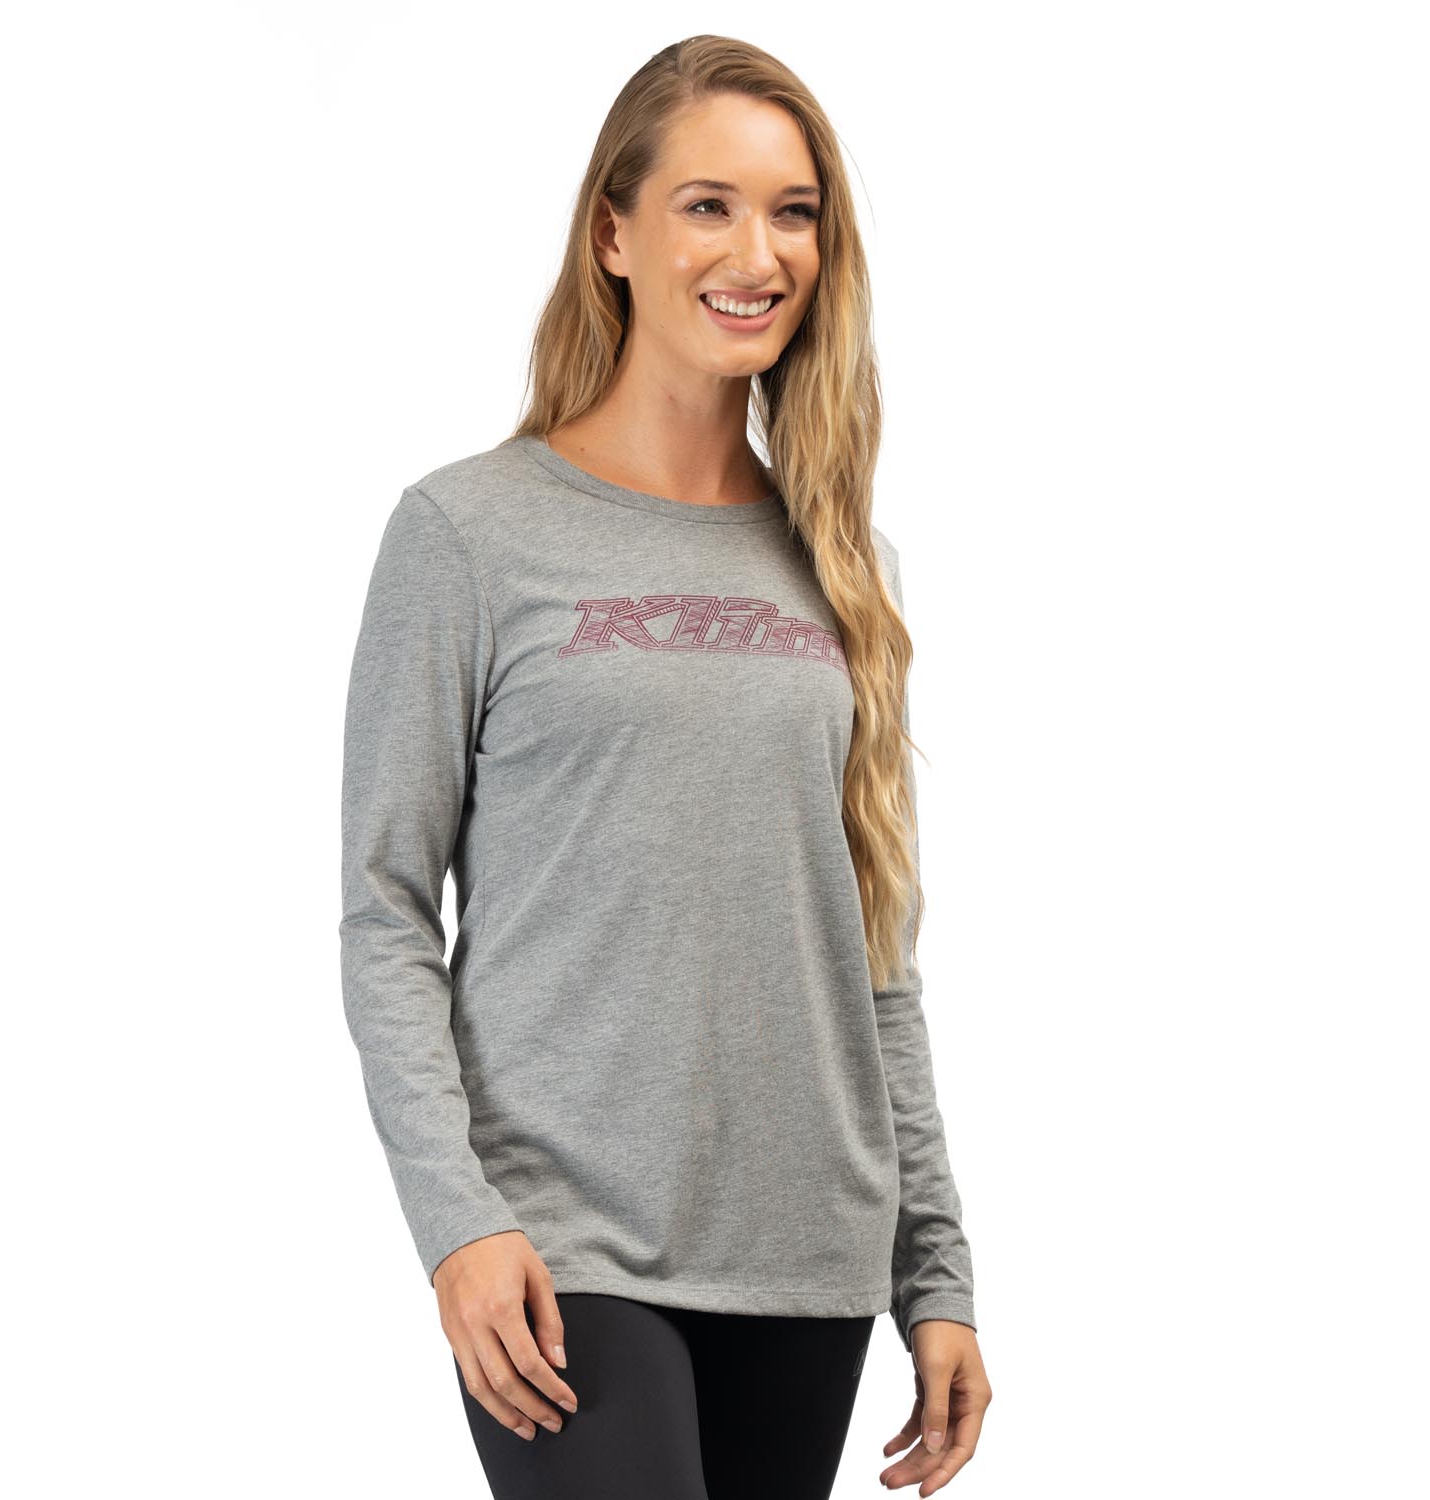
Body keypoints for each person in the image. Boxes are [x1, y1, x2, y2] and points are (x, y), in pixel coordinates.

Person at [339, 33, 993, 1500]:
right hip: (560, 1243)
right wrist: (457, 1224)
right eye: (708, 204)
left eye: (794, 212)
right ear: (613, 233)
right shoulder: (469, 535)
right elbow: (385, 913)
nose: (757, 253)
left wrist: (936, 1273)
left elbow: (875, 962)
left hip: (809, 1245)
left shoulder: (847, 569)